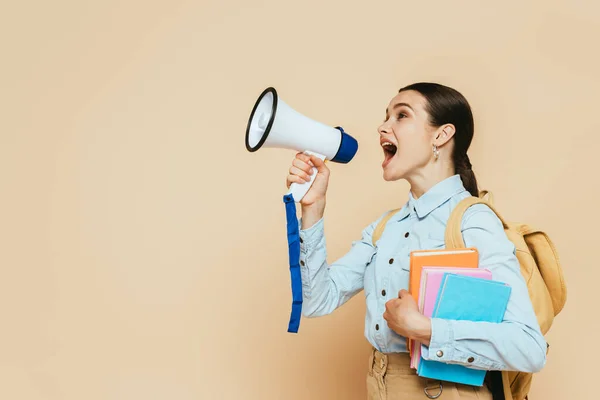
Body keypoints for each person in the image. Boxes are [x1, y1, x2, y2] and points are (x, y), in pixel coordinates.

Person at [285, 82, 547, 399]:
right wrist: (313, 209)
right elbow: (316, 301)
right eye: (386, 117)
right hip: (380, 387)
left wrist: (426, 329)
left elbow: (529, 348)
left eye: (401, 116)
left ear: (441, 135)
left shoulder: (473, 221)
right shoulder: (385, 227)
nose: (383, 127)